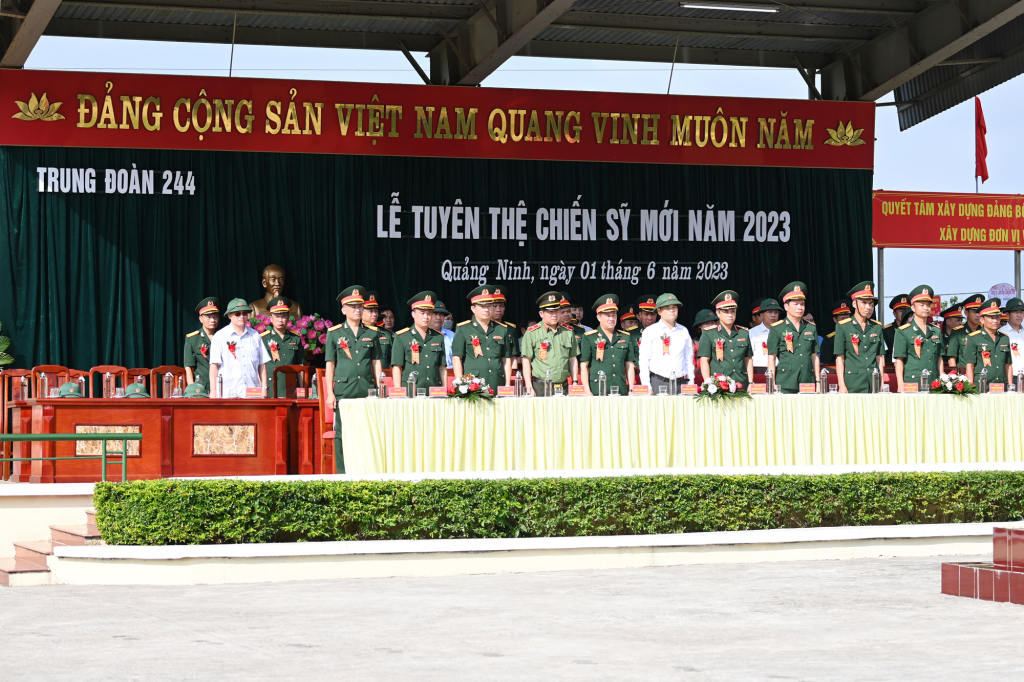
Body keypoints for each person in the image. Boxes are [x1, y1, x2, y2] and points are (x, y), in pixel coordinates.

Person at [324, 285, 383, 472]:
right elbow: (330, 364)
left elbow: (376, 363)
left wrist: (380, 387)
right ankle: (343, 473)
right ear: (344, 310)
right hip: (344, 390)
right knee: (342, 434)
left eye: (360, 306)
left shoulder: (372, 333)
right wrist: (329, 393)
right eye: (353, 306)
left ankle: (366, 470)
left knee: (368, 432)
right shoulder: (334, 333)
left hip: (367, 388)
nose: (357, 310)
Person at [209, 298, 271, 398]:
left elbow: (262, 364)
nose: (241, 316)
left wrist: (264, 387)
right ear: (229, 315)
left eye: (245, 313)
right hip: (229, 393)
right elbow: (214, 366)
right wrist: (213, 391)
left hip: (253, 393)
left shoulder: (255, 335)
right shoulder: (220, 336)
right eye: (237, 314)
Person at [521, 291, 579, 396]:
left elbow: (572, 359)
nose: (554, 315)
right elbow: (526, 360)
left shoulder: (568, 332)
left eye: (556, 311)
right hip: (541, 387)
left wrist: (575, 381)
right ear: (541, 314)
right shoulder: (532, 332)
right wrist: (529, 386)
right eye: (550, 312)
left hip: (563, 386)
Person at [452, 285, 511, 388]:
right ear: (473, 308)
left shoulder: (501, 329)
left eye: (489, 305)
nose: (486, 309)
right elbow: (457, 358)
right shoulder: (463, 329)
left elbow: (506, 359)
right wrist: (460, 383)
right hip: (473, 384)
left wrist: (507, 385)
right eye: (482, 306)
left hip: (497, 382)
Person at [766, 282, 820, 393]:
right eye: (796, 304)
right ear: (786, 306)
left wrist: (818, 382)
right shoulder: (777, 328)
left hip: (807, 381)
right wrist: (773, 383)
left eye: (802, 304)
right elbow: (772, 358)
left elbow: (814, 357)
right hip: (786, 381)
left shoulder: (811, 327)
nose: (800, 307)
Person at [833, 283, 885, 393]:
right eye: (864, 303)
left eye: (871, 304)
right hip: (853, 383)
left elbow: (879, 358)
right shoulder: (843, 326)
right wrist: (841, 385)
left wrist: (881, 383)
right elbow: (840, 358)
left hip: (873, 382)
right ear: (854, 304)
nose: (868, 307)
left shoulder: (877, 327)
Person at [580, 294, 636, 395]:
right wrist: (587, 391)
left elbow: (629, 364)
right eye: (607, 315)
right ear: (598, 317)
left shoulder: (625, 337)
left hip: (620, 387)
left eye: (613, 315)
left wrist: (631, 389)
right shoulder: (589, 337)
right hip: (598, 389)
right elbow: (584, 365)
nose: (611, 319)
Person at [892, 285, 943, 392]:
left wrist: (942, 379)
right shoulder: (903, 331)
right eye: (922, 305)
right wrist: (900, 384)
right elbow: (899, 360)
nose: (926, 308)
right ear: (913, 308)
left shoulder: (936, 330)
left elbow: (939, 358)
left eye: (928, 305)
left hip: (933, 383)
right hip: (912, 383)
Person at [639, 292, 694, 392]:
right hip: (658, 381)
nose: (672, 310)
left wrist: (691, 383)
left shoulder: (683, 331)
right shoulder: (650, 331)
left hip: (681, 383)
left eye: (674, 307)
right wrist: (647, 385)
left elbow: (688, 361)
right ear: (659, 311)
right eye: (667, 307)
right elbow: (644, 361)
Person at [392, 291, 447, 390]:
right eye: (422, 313)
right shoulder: (402, 337)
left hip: (434, 390)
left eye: (429, 313)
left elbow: (442, 368)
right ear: (413, 314)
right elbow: (396, 367)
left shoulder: (438, 337)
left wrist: (445, 390)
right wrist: (398, 392)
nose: (426, 317)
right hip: (411, 390)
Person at [697, 291, 753, 386]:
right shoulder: (709, 333)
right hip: (719, 384)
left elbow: (748, 359)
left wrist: (751, 382)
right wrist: (708, 383)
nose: (730, 315)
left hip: (741, 382)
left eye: (733, 311)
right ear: (718, 313)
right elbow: (704, 360)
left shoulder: (743, 332)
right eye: (726, 312)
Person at [260, 296, 305, 397]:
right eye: (277, 316)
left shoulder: (295, 339)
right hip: (271, 388)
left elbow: (301, 366)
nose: (280, 320)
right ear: (271, 318)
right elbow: (260, 365)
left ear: (288, 318)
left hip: (291, 388)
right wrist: (262, 388)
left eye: (283, 316)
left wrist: (302, 390)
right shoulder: (263, 339)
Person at [966, 298, 1013, 387]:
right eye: (991, 318)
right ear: (982, 320)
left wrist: (1010, 385)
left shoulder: (1004, 338)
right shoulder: (974, 338)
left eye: (997, 317)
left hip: (1001, 386)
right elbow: (970, 366)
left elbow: (1008, 365)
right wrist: (970, 387)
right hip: (982, 387)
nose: (995, 321)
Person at [184, 297, 219, 391]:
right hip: (202, 387)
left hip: (221, 385)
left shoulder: (223, 337)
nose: (213, 320)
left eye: (215, 316)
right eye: (209, 317)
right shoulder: (192, 339)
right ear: (201, 319)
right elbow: (188, 367)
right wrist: (192, 389)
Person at [946, 293, 985, 370]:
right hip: (964, 376)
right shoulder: (957, 332)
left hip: (982, 374)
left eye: (979, 312)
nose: (978, 315)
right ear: (966, 313)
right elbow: (952, 359)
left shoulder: (984, 332)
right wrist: (955, 378)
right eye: (974, 311)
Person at [362, 291, 393, 371]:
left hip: (383, 378)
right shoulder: (356, 333)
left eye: (375, 311)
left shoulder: (386, 334)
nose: (375, 314)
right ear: (361, 312)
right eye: (370, 311)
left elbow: (391, 362)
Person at [749, 298, 782, 370]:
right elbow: (748, 357)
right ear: (761, 315)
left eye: (776, 312)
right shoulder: (752, 332)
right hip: (759, 370)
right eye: (769, 312)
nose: (773, 315)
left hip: (779, 370)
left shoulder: (782, 331)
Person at [819, 299, 852, 366]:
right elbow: (827, 364)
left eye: (847, 318)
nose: (845, 321)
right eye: (842, 319)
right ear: (835, 320)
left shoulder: (857, 334)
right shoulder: (829, 339)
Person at [999, 297, 1024, 379]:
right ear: (1007, 314)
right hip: (1011, 378)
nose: (1019, 315)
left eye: (1021, 312)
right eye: (1015, 312)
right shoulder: (1000, 333)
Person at [883, 294, 911, 363]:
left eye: (906, 310)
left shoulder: (914, 329)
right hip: (892, 368)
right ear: (894, 314)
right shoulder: (886, 331)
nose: (904, 313)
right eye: (901, 311)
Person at [430, 300, 455, 370]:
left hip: (450, 374)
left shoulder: (452, 336)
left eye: (441, 314)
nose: (438, 317)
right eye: (435, 314)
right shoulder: (423, 334)